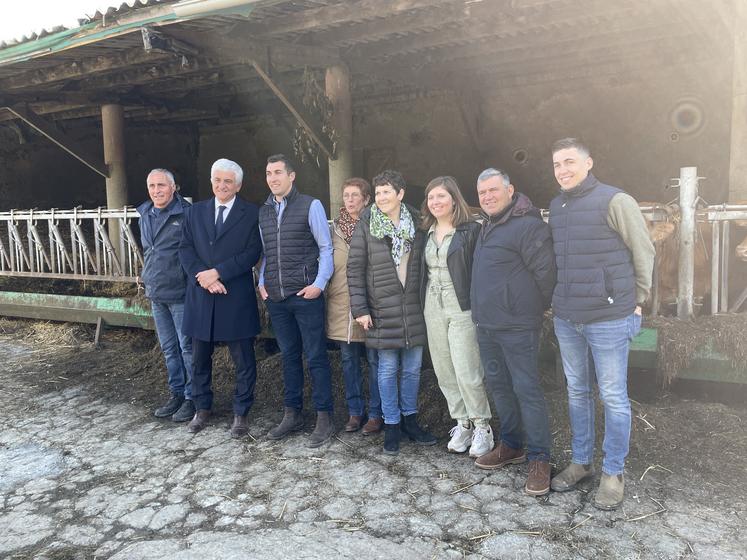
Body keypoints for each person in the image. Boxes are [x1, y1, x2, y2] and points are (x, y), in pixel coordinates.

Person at [548, 138, 655, 509]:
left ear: (588, 163)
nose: (563, 169)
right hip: (567, 317)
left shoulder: (615, 200)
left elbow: (643, 249)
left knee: (612, 396)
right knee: (577, 391)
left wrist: (638, 299)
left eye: (569, 161)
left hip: (609, 317)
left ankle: (613, 472)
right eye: (557, 164)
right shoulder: (556, 205)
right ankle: (581, 462)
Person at [470, 168, 557, 496]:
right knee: (500, 387)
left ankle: (539, 458)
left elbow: (546, 275)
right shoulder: (486, 226)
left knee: (526, 389)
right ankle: (512, 445)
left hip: (518, 326)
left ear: (511, 190)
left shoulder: (529, 226)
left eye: (493, 190)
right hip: (487, 325)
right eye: (482, 193)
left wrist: (530, 309)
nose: (488, 197)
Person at [347, 169, 436, 455]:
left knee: (411, 370)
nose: (383, 197)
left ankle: (410, 420)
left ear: (400, 194)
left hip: (413, 306)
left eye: (388, 191)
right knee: (386, 370)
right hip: (381, 308)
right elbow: (355, 267)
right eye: (379, 192)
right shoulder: (367, 223)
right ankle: (392, 424)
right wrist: (360, 308)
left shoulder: (419, 224)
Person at [178, 158, 263, 438]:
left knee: (243, 359)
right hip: (202, 294)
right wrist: (203, 276)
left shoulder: (252, 213)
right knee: (199, 357)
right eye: (218, 180)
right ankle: (202, 408)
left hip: (234, 294)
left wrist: (218, 273)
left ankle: (241, 412)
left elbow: (252, 252)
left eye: (228, 181)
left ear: (238, 185)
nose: (222, 185)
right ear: (211, 181)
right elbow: (185, 249)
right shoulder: (195, 212)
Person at [258, 154, 335, 448]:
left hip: (305, 295)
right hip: (276, 297)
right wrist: (262, 282)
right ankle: (292, 414)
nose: (273, 178)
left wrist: (319, 284)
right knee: (288, 357)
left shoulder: (310, 205)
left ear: (292, 176)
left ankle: (324, 417)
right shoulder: (263, 212)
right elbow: (266, 252)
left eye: (278, 172)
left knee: (315, 356)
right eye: (268, 173)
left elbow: (325, 247)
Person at [417, 176, 493, 457]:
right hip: (432, 305)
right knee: (444, 368)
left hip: (461, 304)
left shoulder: (470, 230)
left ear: (454, 199)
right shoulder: (424, 232)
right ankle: (462, 423)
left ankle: (482, 425)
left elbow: (481, 272)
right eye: (431, 198)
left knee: (467, 368)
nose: (435, 202)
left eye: (441, 197)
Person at [137, 169, 194, 422]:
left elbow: (195, 252)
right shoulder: (144, 214)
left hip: (180, 293)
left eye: (161, 185)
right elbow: (149, 251)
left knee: (187, 348)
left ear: (174, 187)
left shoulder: (186, 214)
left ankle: (193, 397)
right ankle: (177, 393)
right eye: (152, 185)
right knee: (169, 349)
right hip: (155, 292)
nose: (156, 190)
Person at [326, 177, 382, 434]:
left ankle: (376, 412)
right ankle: (354, 412)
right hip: (341, 304)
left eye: (355, 195)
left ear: (367, 199)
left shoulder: (376, 226)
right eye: (346, 195)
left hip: (371, 305)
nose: (349, 200)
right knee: (348, 362)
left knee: (375, 361)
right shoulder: (333, 229)